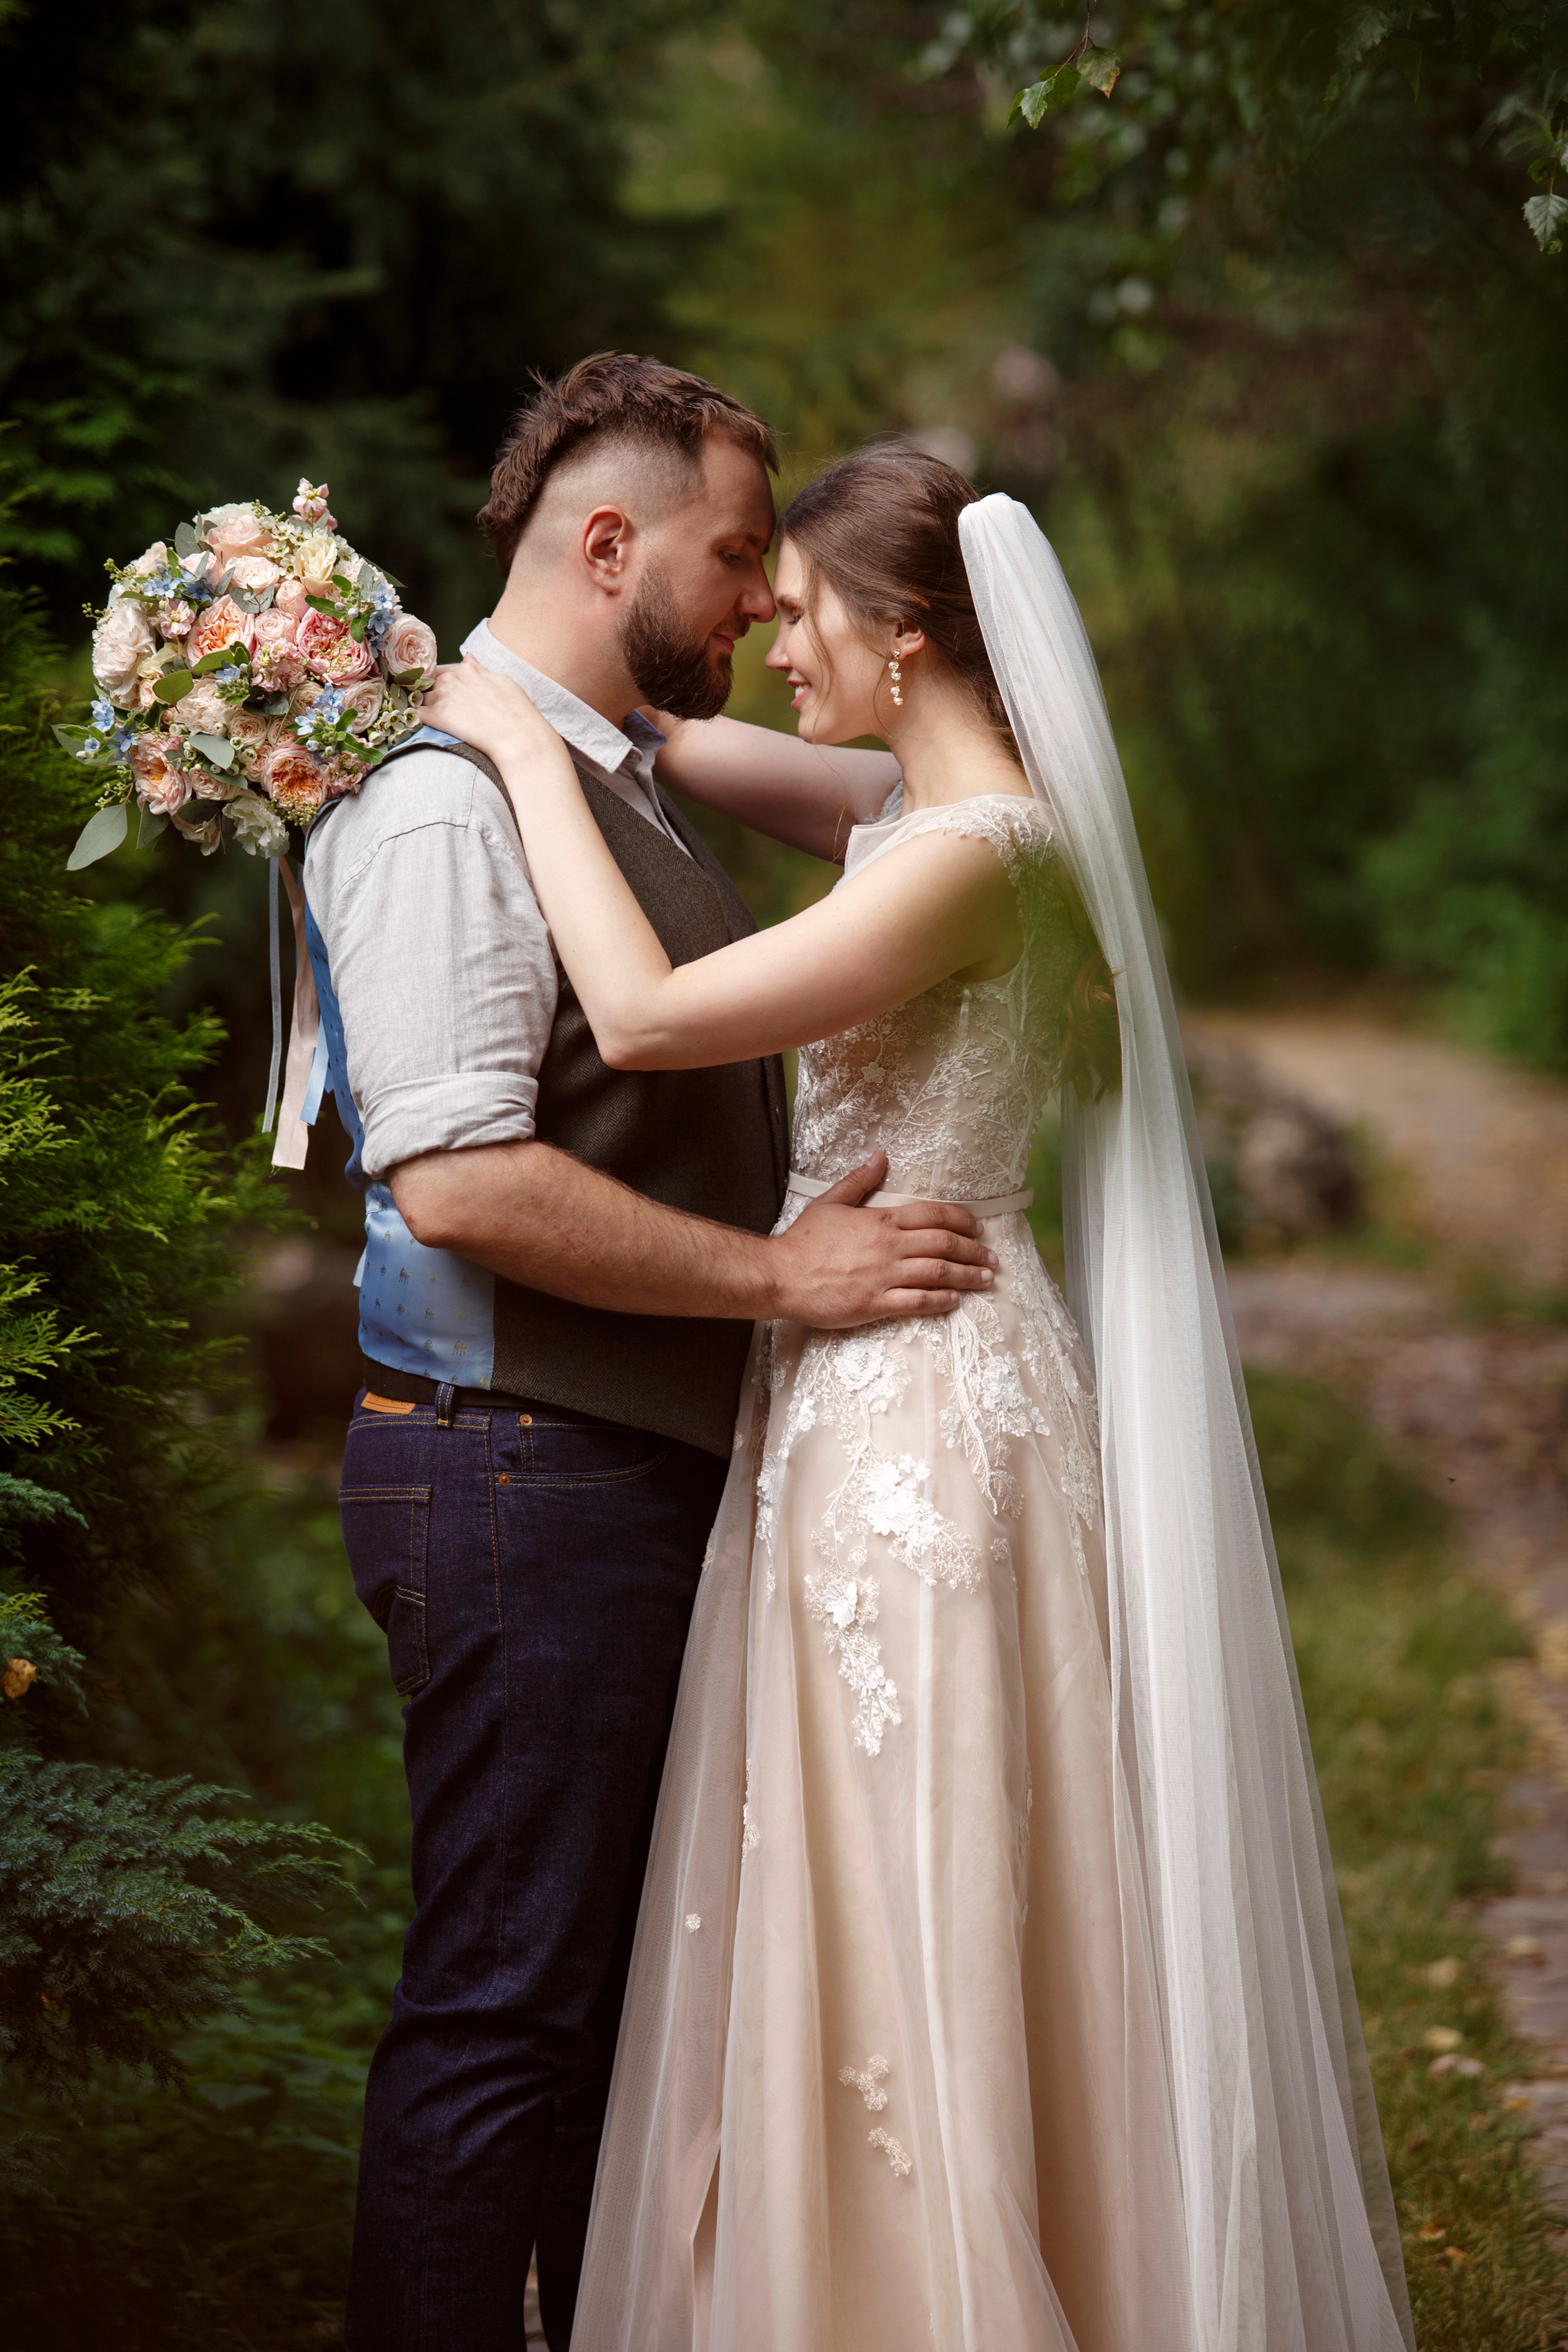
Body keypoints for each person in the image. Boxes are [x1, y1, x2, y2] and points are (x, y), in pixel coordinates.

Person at [421, 443, 1417, 2351]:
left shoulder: (980, 863)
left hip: (916, 1410)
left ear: (908, 633)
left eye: (799, 614)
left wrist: (517, 761)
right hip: (878, 1387)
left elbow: (636, 1014)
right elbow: (676, 741)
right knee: (866, 1864)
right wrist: (469, 674)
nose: (772, 645)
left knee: (913, 1875)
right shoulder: (905, 803)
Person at [304, 358, 997, 2352]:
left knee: (602, 2016)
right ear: (608, 543)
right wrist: (786, 1285)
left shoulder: (604, 770)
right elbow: (460, 1187)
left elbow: (915, 802)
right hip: (518, 1470)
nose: (756, 598)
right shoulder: (445, 801)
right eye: (724, 553)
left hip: (607, 1470)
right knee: (508, 2015)